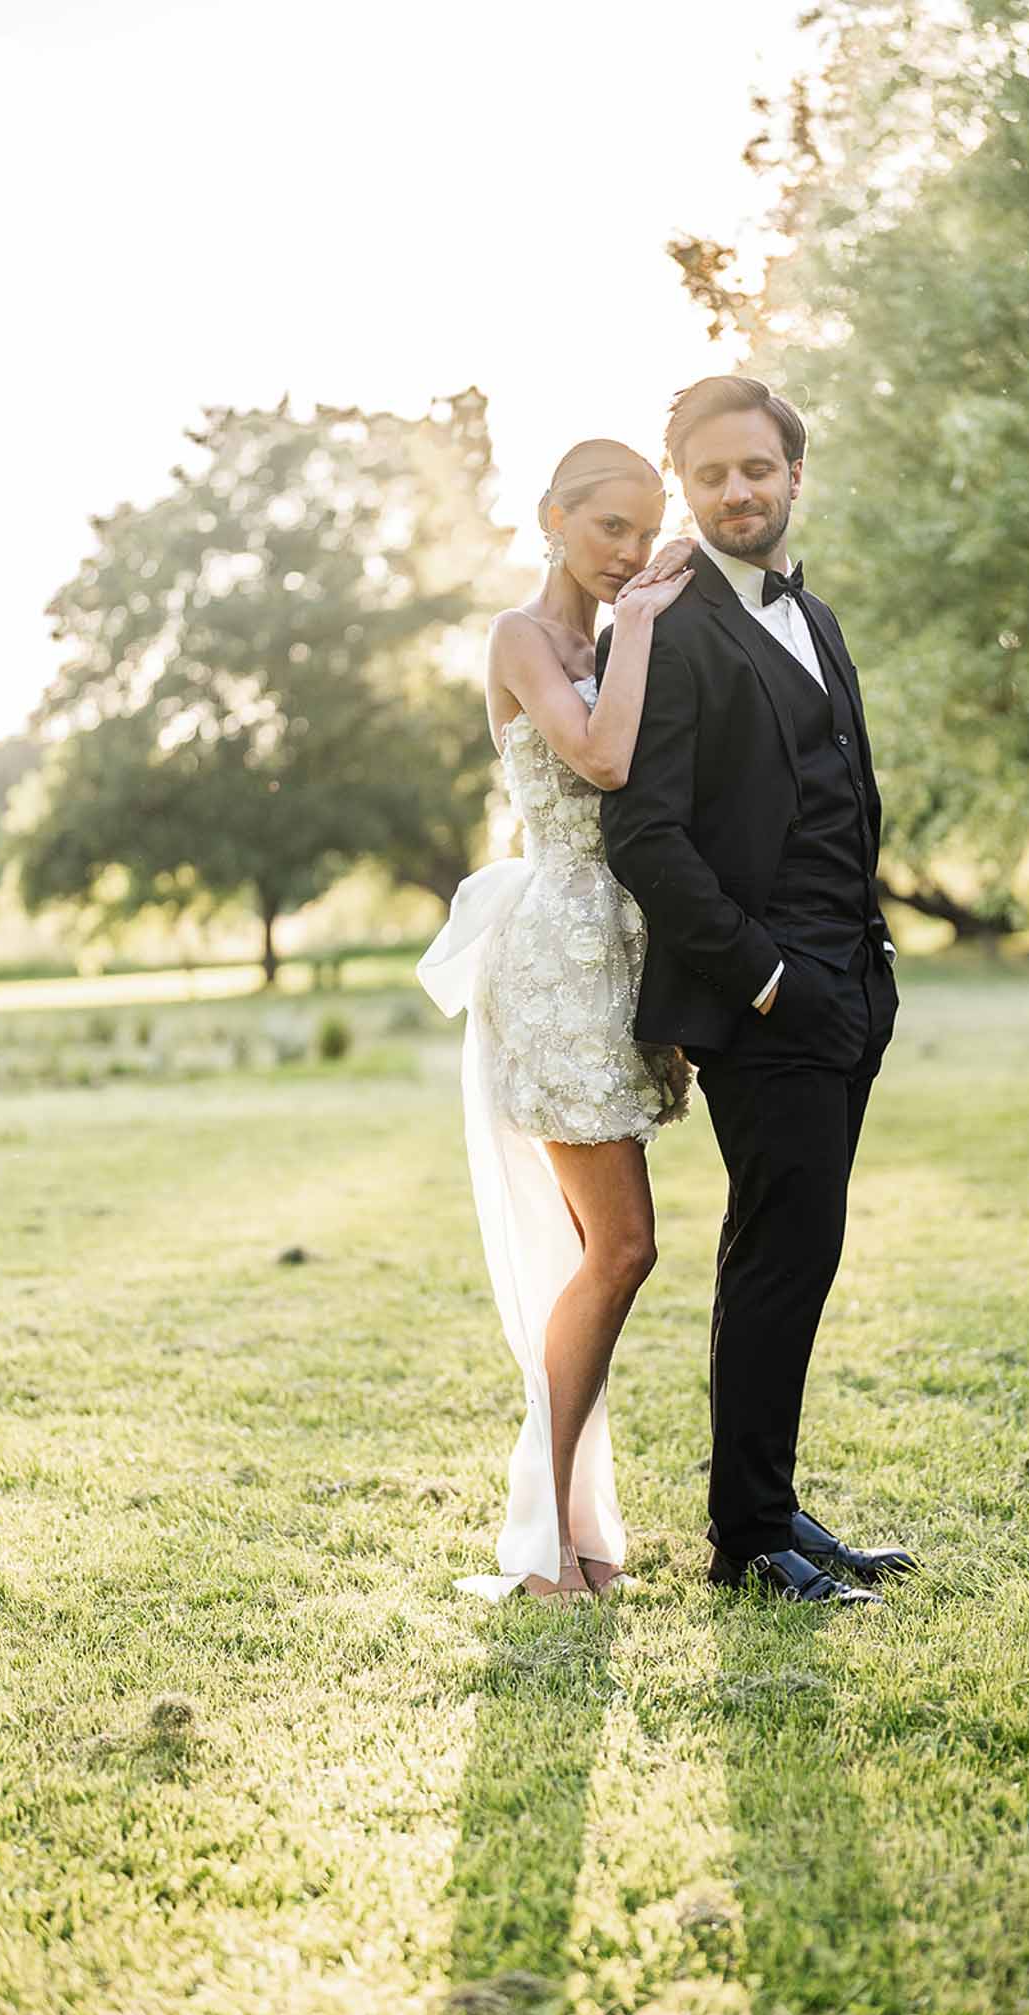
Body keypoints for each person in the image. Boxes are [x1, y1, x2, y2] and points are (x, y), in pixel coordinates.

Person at [600, 377, 920, 1609]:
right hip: (767, 996)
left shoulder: (816, 613)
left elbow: (840, 796)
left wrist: (867, 966)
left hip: (852, 984)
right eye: (712, 474)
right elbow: (646, 834)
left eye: (757, 468)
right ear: (686, 486)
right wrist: (773, 977)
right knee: (776, 1254)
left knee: (805, 1245)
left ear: (794, 477)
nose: (738, 490)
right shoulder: (673, 629)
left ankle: (776, 1507)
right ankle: (746, 1537)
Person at [417, 440, 695, 1603]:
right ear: (553, 519)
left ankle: (576, 1529)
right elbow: (601, 754)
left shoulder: (628, 630)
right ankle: (542, 1538)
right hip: (552, 961)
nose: (629, 551)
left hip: (625, 955)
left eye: (645, 530)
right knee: (621, 1245)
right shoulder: (522, 640)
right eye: (609, 528)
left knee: (602, 1250)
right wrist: (640, 624)